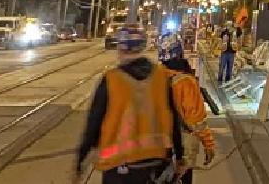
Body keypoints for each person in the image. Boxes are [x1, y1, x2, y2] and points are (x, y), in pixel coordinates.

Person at [75, 24, 186, 183]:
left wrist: (81, 158)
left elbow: (94, 122)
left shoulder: (111, 79)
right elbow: (174, 118)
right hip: (156, 162)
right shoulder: (161, 76)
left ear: (120, 47)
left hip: (120, 166)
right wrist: (180, 155)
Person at [159, 35, 216, 183]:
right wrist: (208, 144)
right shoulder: (186, 82)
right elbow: (197, 120)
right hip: (183, 147)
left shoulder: (154, 78)